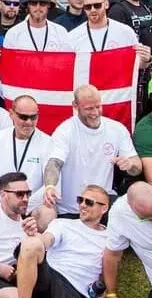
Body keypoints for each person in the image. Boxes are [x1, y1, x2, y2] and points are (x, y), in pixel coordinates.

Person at [42, 85, 139, 217]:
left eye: (98, 107)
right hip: (71, 210)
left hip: (102, 206)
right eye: (89, 109)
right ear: (75, 106)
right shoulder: (65, 131)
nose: (95, 113)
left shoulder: (117, 129)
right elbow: (54, 162)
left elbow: (137, 166)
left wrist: (130, 165)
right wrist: (50, 186)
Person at [0, 97, 53, 228]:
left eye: (33, 117)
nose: (29, 122)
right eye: (23, 117)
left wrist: (23, 203)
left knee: (48, 213)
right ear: (11, 114)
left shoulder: (49, 143)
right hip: (1, 207)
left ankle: (39, 241)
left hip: (31, 208)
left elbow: (50, 185)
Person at [109, 0, 152, 110]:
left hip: (147, 71)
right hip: (129, 74)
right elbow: (116, 48)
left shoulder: (144, 7)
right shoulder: (117, 10)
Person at [2, 0, 69, 53]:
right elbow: (8, 58)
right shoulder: (13, 33)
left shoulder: (60, 32)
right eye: (33, 3)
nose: (38, 7)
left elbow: (66, 58)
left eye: (42, 3)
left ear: (48, 5)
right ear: (28, 5)